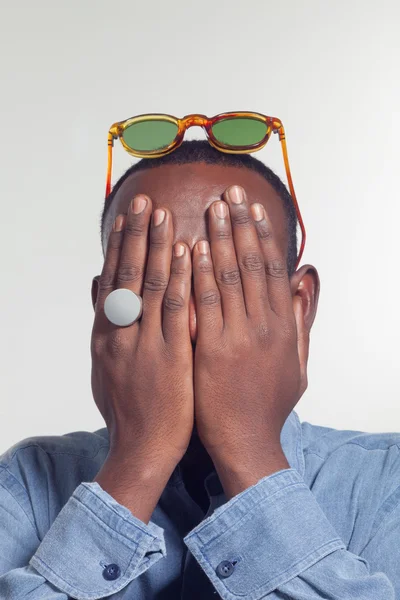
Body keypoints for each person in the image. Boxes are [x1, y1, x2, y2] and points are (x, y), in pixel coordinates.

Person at [0, 139, 399, 600]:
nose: (189, 319)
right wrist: (139, 459)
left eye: (232, 285)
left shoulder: (386, 482)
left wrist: (248, 449)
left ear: (298, 310)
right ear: (104, 311)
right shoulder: (25, 484)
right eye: (153, 284)